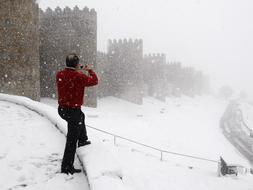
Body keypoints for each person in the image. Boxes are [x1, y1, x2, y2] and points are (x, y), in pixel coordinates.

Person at [56, 53, 98, 175]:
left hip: (62, 110)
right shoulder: (79, 77)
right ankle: (66, 167)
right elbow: (94, 81)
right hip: (72, 111)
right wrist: (90, 70)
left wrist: (75, 69)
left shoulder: (60, 74)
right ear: (76, 64)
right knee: (71, 140)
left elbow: (68, 76)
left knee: (81, 116)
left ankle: (83, 139)